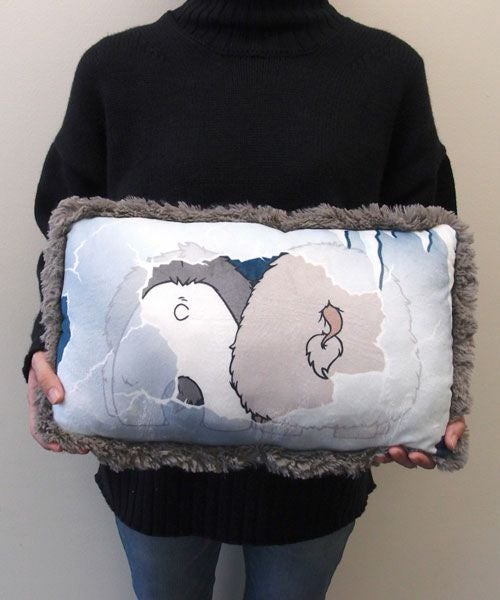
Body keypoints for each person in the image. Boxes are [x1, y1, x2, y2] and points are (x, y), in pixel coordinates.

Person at [23, 1, 466, 598]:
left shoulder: (388, 73)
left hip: (318, 468)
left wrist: (426, 396)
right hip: (152, 460)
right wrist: (42, 353)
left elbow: (424, 253)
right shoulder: (115, 69)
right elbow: (65, 239)